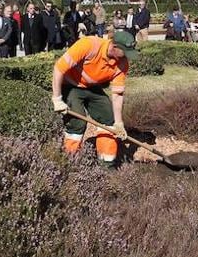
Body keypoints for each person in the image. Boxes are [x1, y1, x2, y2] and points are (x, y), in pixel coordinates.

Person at [50, 31, 139, 168]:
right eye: (126, 52)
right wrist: (57, 98)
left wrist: (119, 123)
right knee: (78, 121)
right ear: (114, 46)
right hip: (70, 85)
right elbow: (58, 69)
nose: (128, 57)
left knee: (109, 119)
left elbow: (117, 94)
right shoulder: (89, 45)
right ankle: (69, 162)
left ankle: (107, 163)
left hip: (91, 87)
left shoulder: (122, 64)